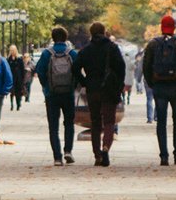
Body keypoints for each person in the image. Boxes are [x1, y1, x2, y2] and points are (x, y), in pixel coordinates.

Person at [143, 13, 176, 165]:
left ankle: (164, 156)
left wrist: (152, 82)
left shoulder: (153, 44)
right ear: (174, 27)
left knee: (161, 122)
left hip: (160, 87)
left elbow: (146, 65)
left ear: (161, 27)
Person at [76, 21, 126, 167]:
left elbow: (75, 68)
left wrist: (84, 81)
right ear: (104, 32)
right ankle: (105, 148)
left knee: (95, 122)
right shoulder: (112, 48)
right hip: (109, 89)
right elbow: (121, 68)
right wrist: (119, 85)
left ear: (91, 33)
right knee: (109, 122)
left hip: (92, 89)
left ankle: (97, 155)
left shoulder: (86, 50)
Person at [33, 25, 79, 166]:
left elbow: (39, 71)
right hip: (68, 93)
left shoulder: (47, 53)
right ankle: (68, 151)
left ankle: (57, 157)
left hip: (52, 94)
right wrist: (73, 86)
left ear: (53, 38)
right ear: (65, 38)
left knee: (53, 126)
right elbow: (78, 71)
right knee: (69, 123)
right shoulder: (71, 53)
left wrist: (46, 86)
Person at [7, 44, 26, 110]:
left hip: (18, 78)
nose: (12, 51)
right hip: (11, 78)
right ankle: (12, 105)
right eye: (11, 50)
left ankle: (18, 104)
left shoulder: (19, 59)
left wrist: (23, 79)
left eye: (13, 50)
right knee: (12, 92)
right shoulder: (8, 59)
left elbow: (22, 69)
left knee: (18, 93)